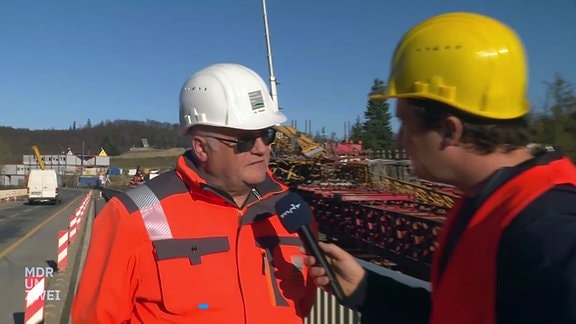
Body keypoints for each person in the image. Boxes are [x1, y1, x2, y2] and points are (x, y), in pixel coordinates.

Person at [302, 12, 576, 324]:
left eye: (405, 122)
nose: (400, 138)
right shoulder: (488, 201)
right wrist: (368, 290)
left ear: (449, 131)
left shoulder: (552, 232)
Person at [71, 63, 318, 323]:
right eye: (245, 139)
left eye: (267, 135)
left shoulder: (293, 212)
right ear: (201, 148)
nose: (261, 149)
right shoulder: (134, 215)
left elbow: (302, 307)